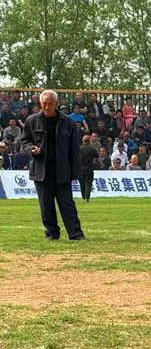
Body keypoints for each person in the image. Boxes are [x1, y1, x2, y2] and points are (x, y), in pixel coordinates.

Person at [19, 90, 85, 241]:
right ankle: (52, 233)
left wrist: (75, 173)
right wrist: (32, 149)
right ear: (40, 103)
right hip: (41, 170)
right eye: (44, 103)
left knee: (67, 203)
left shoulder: (68, 122)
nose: (47, 107)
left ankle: (75, 233)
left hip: (62, 170)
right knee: (46, 204)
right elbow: (24, 141)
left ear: (56, 103)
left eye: (50, 103)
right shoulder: (31, 120)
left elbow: (74, 149)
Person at [78, 135, 98, 202]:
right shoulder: (92, 149)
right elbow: (97, 158)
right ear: (89, 141)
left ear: (82, 141)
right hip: (89, 169)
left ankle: (83, 197)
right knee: (88, 184)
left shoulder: (78, 149)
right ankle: (87, 198)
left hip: (80, 169)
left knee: (81, 184)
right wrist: (102, 165)